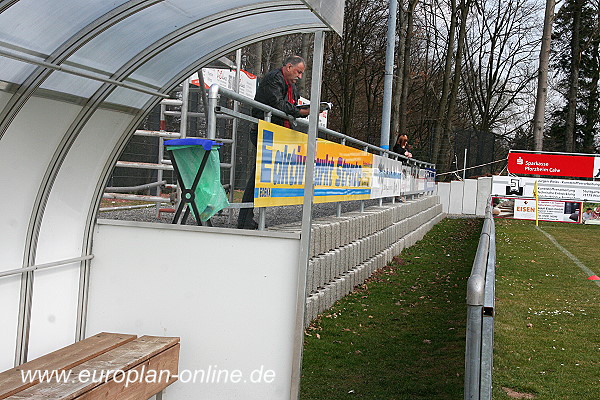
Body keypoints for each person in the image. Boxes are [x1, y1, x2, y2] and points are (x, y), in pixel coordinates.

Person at [237, 55, 310, 229]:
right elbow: (278, 105)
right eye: (298, 72)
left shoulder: (290, 85)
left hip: (273, 132)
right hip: (264, 131)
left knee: (261, 174)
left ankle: (248, 216)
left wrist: (300, 110)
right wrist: (299, 112)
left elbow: (287, 107)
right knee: (259, 174)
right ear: (289, 67)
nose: (299, 76)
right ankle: (245, 217)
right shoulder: (274, 78)